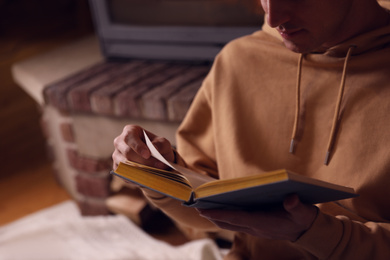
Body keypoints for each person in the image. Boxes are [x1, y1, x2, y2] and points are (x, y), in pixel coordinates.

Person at [112, 0, 390, 259]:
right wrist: (158, 171)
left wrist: (315, 233)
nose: (273, 18)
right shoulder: (239, 60)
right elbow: (200, 204)